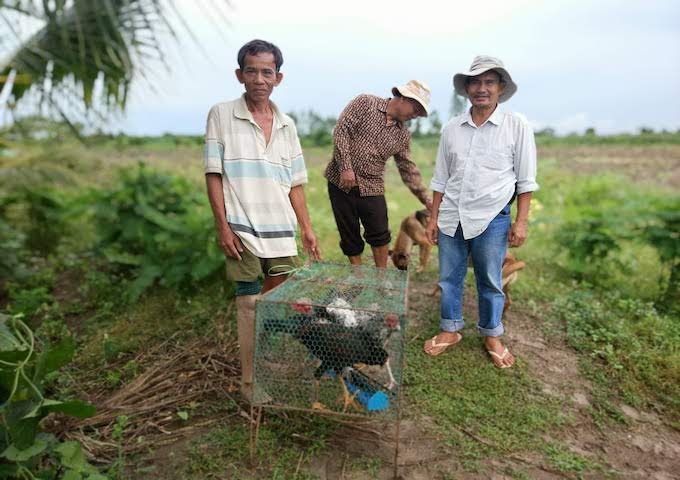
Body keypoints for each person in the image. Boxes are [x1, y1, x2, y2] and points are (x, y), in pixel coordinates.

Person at [203, 39, 320, 402]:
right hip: (241, 227)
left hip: (281, 229)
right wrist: (222, 225)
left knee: (276, 299)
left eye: (266, 72)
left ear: (278, 77)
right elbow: (213, 174)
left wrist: (307, 228)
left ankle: (263, 360)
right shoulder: (221, 114)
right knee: (249, 302)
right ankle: (251, 383)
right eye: (251, 71)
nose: (259, 79)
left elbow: (296, 184)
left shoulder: (287, 125)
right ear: (240, 75)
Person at [424, 56, 538, 368]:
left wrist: (522, 221)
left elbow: (526, 181)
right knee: (449, 277)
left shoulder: (517, 126)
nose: (481, 88)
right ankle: (450, 330)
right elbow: (440, 178)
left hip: (492, 217)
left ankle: (491, 334)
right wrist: (433, 217)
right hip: (452, 215)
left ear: (501, 88)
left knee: (490, 279)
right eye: (475, 82)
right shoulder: (452, 128)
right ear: (467, 89)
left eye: (489, 82)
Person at [324, 81, 432, 267]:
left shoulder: (403, 135)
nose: (415, 115)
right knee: (348, 231)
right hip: (340, 181)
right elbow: (341, 131)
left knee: (380, 233)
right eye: (415, 109)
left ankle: (380, 277)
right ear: (404, 98)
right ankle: (357, 275)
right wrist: (346, 168)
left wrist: (427, 199)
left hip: (372, 185)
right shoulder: (366, 103)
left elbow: (408, 168)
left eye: (419, 114)